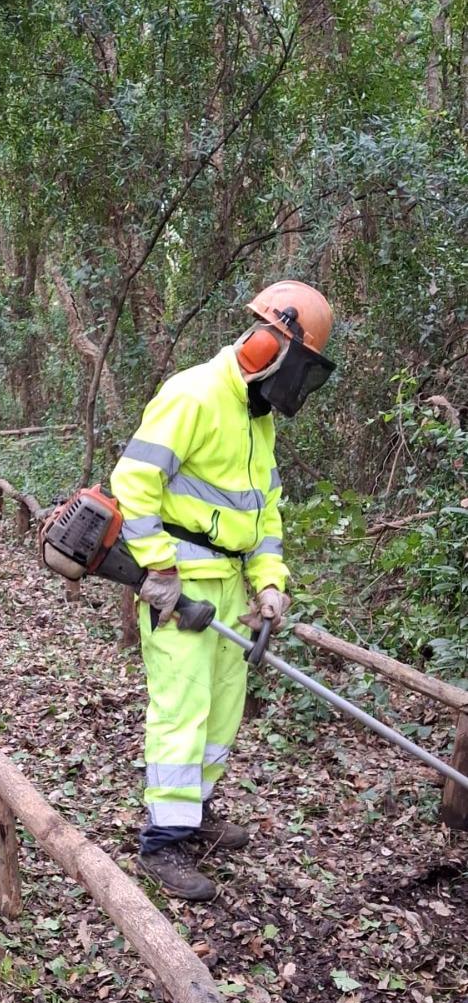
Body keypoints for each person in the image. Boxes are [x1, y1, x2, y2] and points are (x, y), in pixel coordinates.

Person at [110, 281, 335, 902]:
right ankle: (163, 841)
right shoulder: (194, 393)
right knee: (181, 712)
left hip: (230, 589)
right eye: (303, 367)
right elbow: (133, 482)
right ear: (272, 343)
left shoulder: (257, 419)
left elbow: (264, 515)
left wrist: (269, 583)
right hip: (178, 587)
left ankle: (196, 813)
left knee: (221, 712)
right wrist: (157, 572)